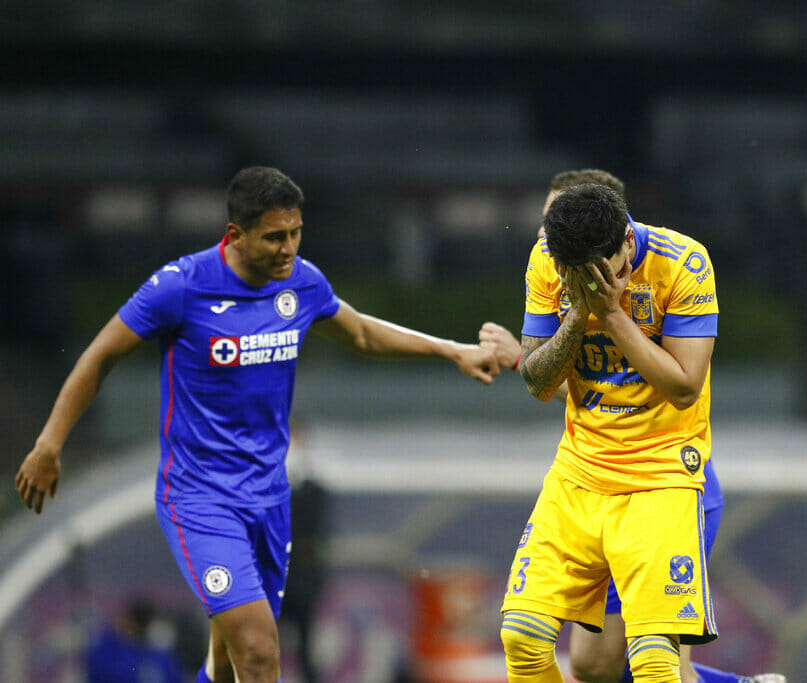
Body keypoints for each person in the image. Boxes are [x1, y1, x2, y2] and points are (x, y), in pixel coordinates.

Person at [14, 166, 499, 683]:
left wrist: (452, 351)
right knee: (261, 651)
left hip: (269, 499)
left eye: (295, 233)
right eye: (274, 237)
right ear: (235, 236)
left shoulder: (302, 284)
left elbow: (360, 333)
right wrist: (49, 444)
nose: (288, 248)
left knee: (227, 663)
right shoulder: (182, 288)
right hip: (200, 499)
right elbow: (99, 357)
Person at [483, 170, 783, 683]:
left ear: (626, 240)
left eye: (597, 272)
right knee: (536, 643)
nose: (587, 283)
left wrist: (612, 314)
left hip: (662, 479)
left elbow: (686, 387)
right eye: (575, 273)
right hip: (579, 478)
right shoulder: (551, 264)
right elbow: (537, 380)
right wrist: (578, 314)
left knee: (652, 661)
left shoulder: (684, 262)